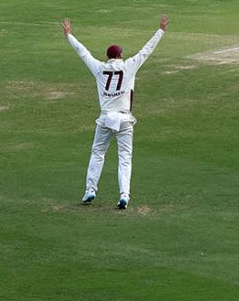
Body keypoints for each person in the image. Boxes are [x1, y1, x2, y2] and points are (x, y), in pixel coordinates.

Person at [62, 15, 168, 208]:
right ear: (120, 56)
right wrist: (160, 30)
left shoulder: (100, 68)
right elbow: (146, 51)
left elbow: (83, 53)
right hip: (124, 119)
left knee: (97, 153)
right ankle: (124, 195)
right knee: (125, 157)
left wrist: (69, 34)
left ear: (108, 56)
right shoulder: (129, 66)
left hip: (105, 118)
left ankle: (90, 190)